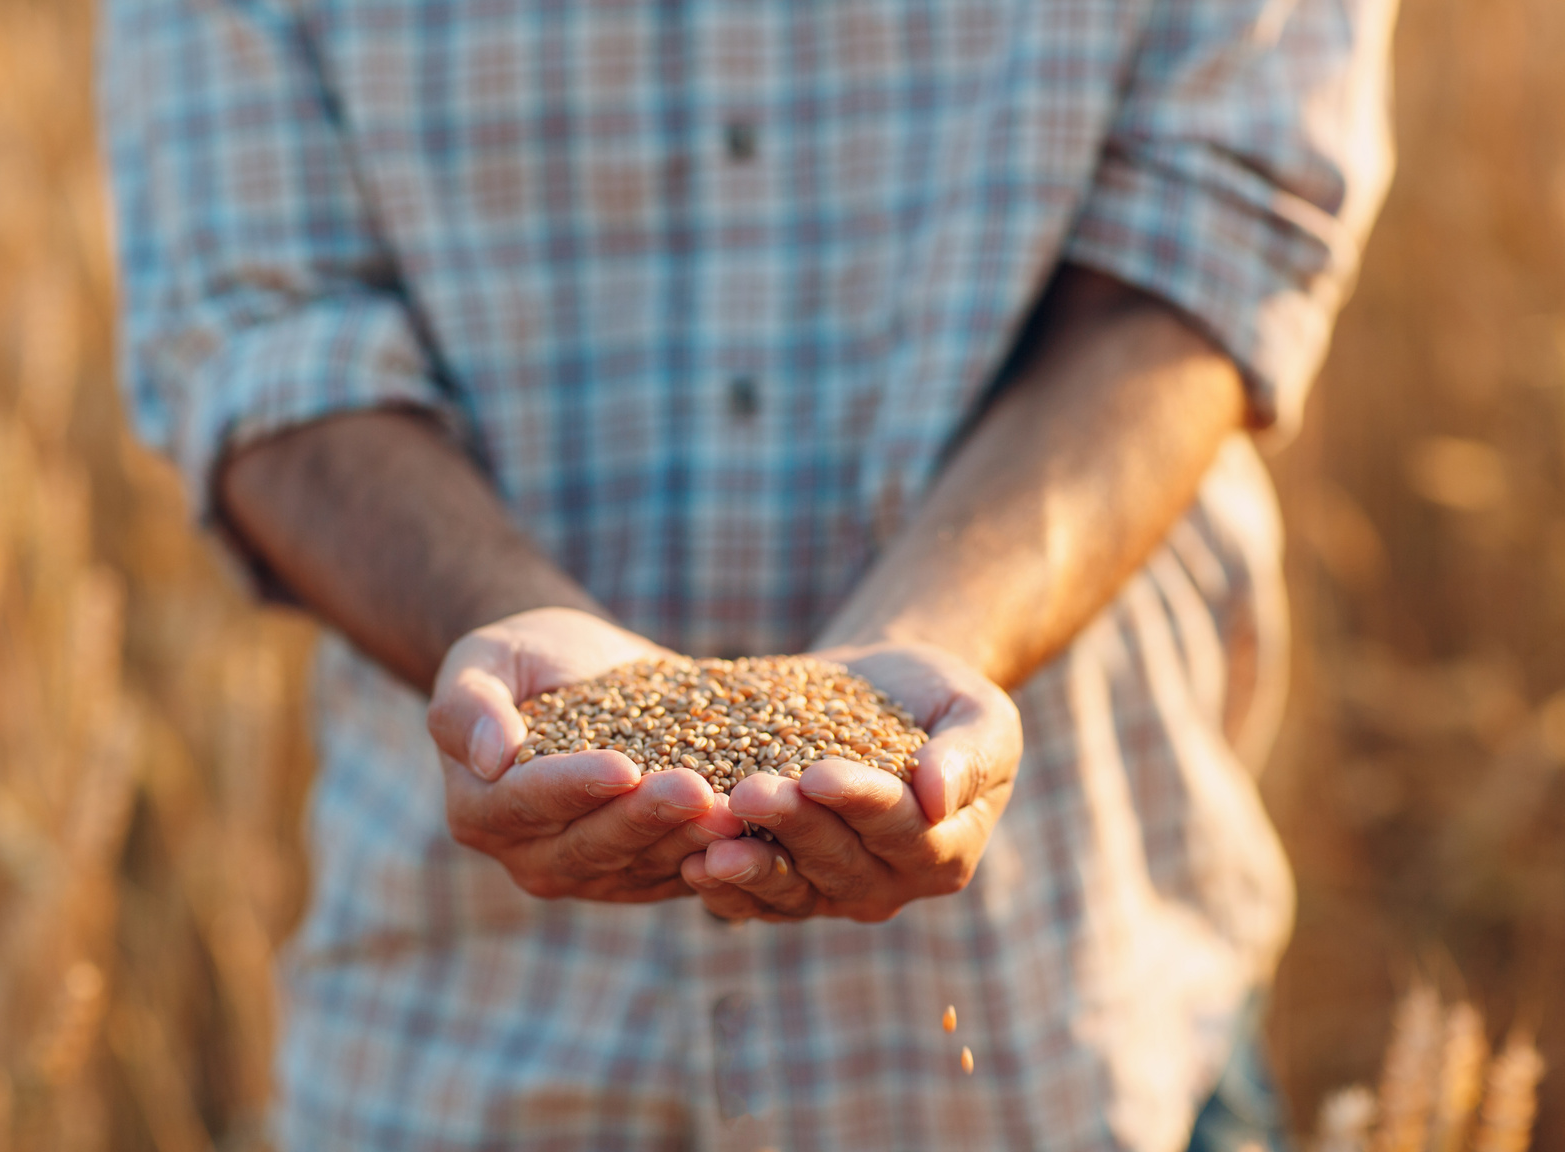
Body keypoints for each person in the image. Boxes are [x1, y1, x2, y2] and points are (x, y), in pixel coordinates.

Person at [104, 1, 1394, 1147]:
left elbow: (1202, 254)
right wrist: (497, 629)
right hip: (468, 1043)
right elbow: (266, 329)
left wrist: (938, 635)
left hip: (1070, 1030)